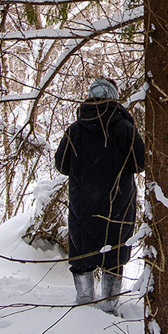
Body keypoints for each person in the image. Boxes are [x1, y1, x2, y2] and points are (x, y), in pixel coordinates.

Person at [55, 77, 144, 313]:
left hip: (82, 205)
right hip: (118, 205)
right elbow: (140, 163)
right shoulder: (124, 128)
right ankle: (110, 307)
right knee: (114, 257)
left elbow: (62, 165)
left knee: (82, 254)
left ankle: (84, 303)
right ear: (114, 98)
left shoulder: (76, 129)